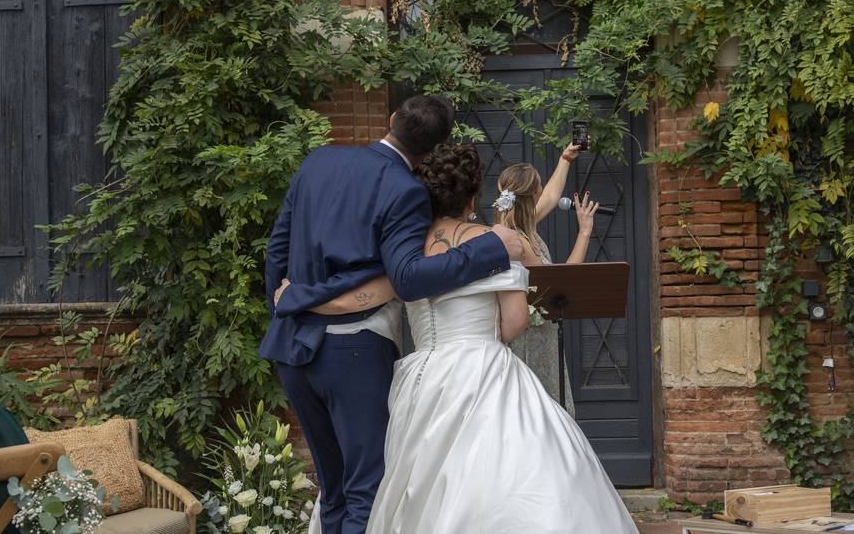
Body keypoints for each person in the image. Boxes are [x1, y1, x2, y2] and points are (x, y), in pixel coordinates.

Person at [305, 144, 637, 533]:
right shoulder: (494, 239)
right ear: (474, 194)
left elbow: (378, 294)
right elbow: (515, 322)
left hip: (420, 377)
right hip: (483, 367)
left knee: (414, 479)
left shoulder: (403, 245)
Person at [261, 95, 523, 534]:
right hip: (354, 350)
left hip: (292, 347)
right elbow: (408, 277)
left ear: (391, 120)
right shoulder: (405, 189)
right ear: (432, 149)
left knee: (333, 488)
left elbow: (277, 251)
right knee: (366, 489)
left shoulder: (318, 161)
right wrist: (491, 246)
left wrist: (287, 299)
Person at [493, 145, 599, 266]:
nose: (543, 190)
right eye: (540, 184)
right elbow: (562, 280)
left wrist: (565, 159)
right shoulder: (521, 244)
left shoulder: (519, 223)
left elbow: (550, 197)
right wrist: (584, 232)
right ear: (533, 195)